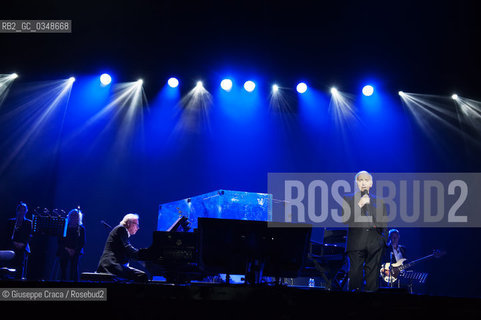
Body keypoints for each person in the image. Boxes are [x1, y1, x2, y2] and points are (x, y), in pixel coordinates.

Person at [343, 171, 388, 292]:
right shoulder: (348, 198)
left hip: (375, 243)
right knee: (355, 277)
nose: (363, 183)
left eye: (366, 180)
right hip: (357, 243)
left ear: (371, 183)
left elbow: (384, 224)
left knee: (373, 280)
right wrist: (359, 204)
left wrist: (383, 241)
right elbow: (345, 219)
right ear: (356, 183)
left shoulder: (379, 201)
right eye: (360, 180)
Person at [97, 213, 148, 282]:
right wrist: (143, 255)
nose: (138, 228)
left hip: (111, 264)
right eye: (137, 225)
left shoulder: (121, 231)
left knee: (137, 275)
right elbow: (128, 249)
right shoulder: (121, 229)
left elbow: (127, 252)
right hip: (110, 265)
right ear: (129, 223)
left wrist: (141, 256)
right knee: (142, 276)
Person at [57, 209, 86, 281]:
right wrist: (67, 249)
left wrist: (74, 250)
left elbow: (82, 242)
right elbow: (60, 240)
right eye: (72, 215)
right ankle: (63, 280)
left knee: (74, 268)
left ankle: (74, 283)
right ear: (69, 216)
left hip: (76, 251)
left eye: (76, 216)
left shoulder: (81, 228)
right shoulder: (64, 227)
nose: (74, 217)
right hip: (65, 249)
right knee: (63, 264)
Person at [8, 202, 33, 279]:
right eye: (20, 210)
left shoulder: (28, 223)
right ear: (17, 211)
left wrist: (22, 244)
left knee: (20, 263)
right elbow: (7, 235)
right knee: (10, 262)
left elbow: (29, 236)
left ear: (26, 211)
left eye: (23, 210)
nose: (22, 212)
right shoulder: (11, 222)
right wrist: (14, 243)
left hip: (23, 246)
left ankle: (19, 280)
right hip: (12, 246)